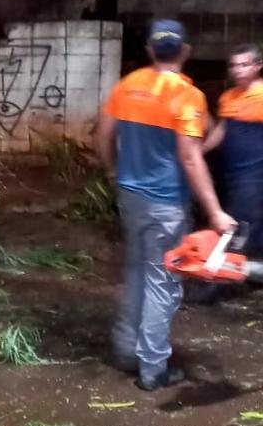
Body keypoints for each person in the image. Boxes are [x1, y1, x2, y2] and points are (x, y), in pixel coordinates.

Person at [95, 20, 236, 391]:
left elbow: (103, 135)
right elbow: (191, 157)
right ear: (185, 51)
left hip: (131, 198)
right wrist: (216, 210)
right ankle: (153, 368)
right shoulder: (186, 96)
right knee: (163, 283)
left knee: (137, 273)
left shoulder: (127, 86)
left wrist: (113, 171)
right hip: (165, 204)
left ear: (150, 51)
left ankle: (127, 350)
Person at [204, 44, 263, 256]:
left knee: (243, 226)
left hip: (254, 175)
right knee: (238, 222)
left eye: (244, 65)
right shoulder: (228, 96)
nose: (238, 70)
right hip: (229, 173)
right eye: (234, 65)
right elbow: (222, 128)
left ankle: (236, 276)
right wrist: (199, 151)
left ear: (258, 65)